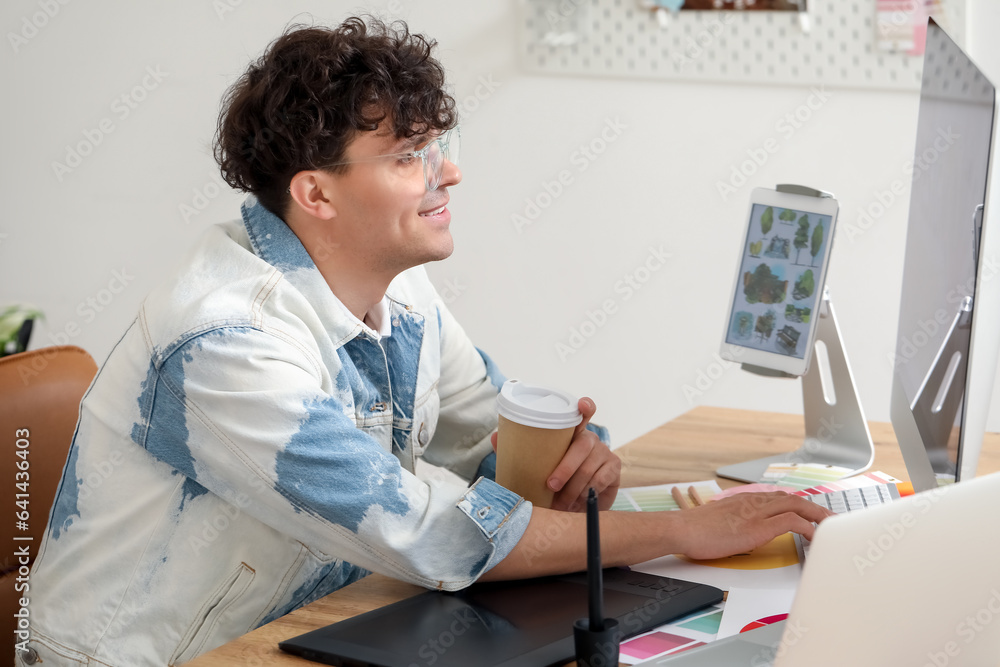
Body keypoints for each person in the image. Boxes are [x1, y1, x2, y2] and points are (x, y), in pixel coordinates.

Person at [19, 17, 830, 666]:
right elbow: (429, 530)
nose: (448, 175)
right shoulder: (224, 342)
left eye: (437, 146)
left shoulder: (398, 287)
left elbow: (493, 443)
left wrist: (577, 460)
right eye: (408, 156)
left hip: (324, 622)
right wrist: (685, 530)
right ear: (316, 193)